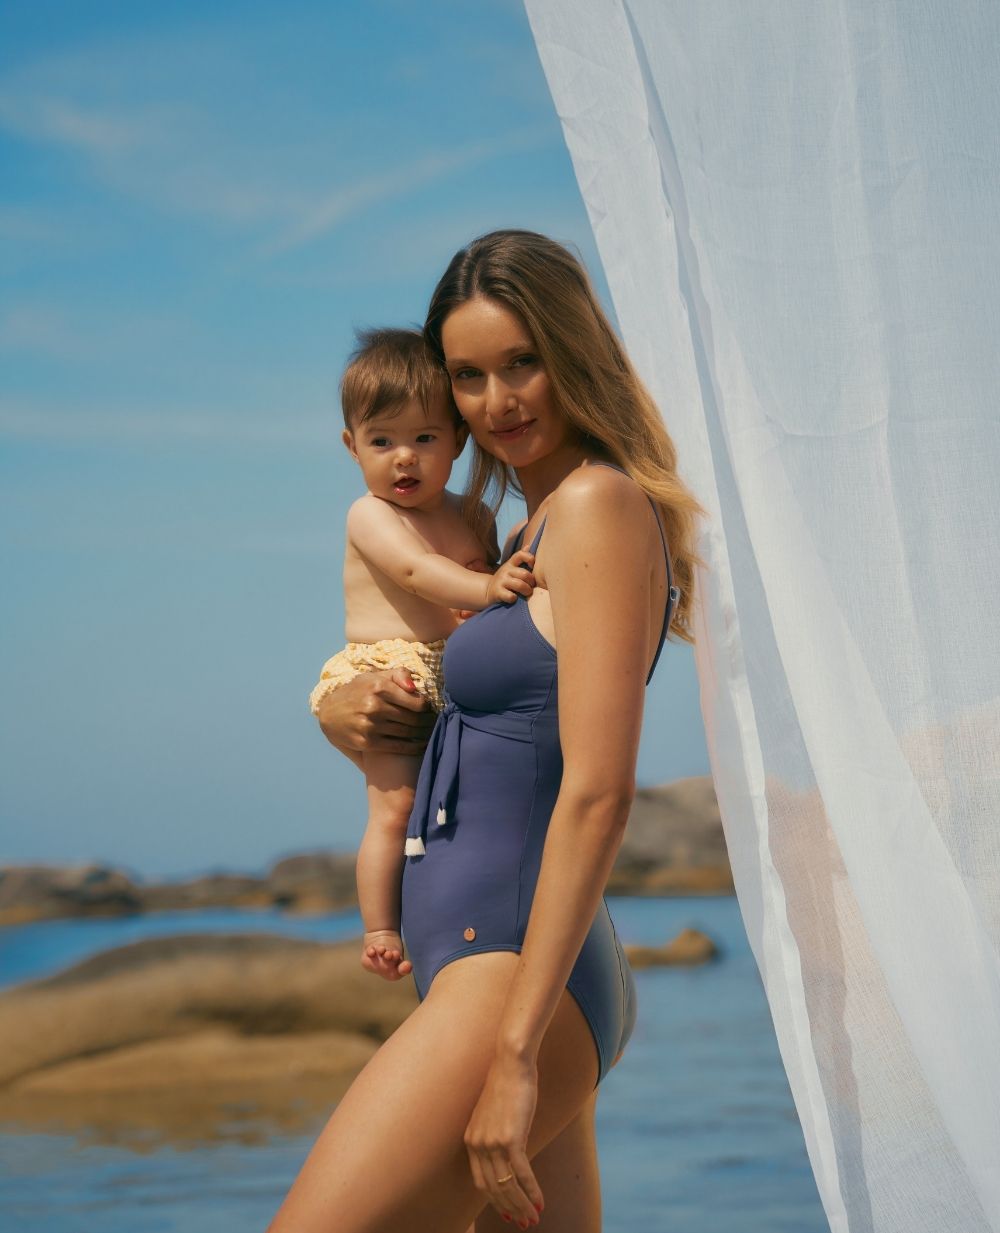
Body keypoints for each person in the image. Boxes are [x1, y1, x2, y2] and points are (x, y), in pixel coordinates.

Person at [269, 231, 705, 1233]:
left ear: (575, 352)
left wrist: (512, 1052)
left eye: (522, 362)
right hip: (489, 970)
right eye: (466, 376)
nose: (496, 400)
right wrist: (349, 713)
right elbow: (481, 738)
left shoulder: (594, 506)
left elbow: (596, 793)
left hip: (510, 979)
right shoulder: (522, 536)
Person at [308, 327, 536, 980]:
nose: (403, 459)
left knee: (450, 804)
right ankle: (380, 926)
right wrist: (488, 585)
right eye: (382, 441)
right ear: (353, 446)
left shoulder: (475, 516)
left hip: (452, 674)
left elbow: (471, 597)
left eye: (424, 438)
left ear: (459, 440)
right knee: (395, 805)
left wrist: (488, 587)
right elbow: (415, 573)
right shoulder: (371, 515)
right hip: (390, 671)